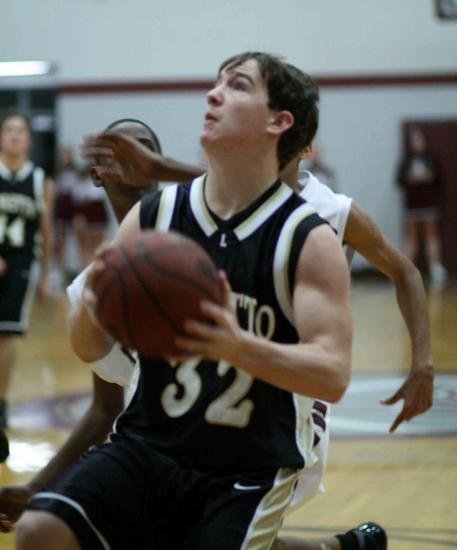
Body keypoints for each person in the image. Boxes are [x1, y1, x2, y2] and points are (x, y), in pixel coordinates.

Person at [16, 52, 353, 550]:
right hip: (148, 447)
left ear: (279, 122)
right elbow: (89, 348)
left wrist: (237, 346)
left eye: (238, 86)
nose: (214, 94)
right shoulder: (155, 215)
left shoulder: (306, 237)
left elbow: (333, 373)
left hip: (247, 469)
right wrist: (95, 300)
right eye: (216, 84)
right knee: (40, 530)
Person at [0, 111, 53, 445]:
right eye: (9, 130)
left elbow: (46, 233)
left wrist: (46, 275)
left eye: (21, 130)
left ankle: (1, 402)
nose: (15, 135)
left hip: (20, 263)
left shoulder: (39, 179)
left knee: (5, 335)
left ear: (29, 140)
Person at [397, 127, 447, 288]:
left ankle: (435, 268)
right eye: (414, 140)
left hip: (429, 204)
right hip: (412, 205)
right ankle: (406, 270)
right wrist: (410, 178)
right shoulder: (406, 162)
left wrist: (428, 177)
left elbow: (440, 180)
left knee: (431, 235)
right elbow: (399, 181)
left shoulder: (431, 159)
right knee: (411, 238)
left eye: (419, 139)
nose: (417, 143)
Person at [53, 147, 79, 286]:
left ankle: (75, 270)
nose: (66, 159)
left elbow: (77, 191)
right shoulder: (59, 172)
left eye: (68, 156)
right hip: (62, 206)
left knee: (76, 240)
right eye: (64, 156)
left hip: (73, 206)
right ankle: (60, 271)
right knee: (60, 241)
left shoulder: (76, 172)